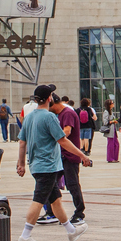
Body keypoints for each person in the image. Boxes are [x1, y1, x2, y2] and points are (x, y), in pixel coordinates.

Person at [16, 84, 92, 241]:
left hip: (36, 165)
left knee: (55, 200)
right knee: (38, 200)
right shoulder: (49, 117)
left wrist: (21, 163)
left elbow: (22, 142)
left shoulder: (29, 117)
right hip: (48, 166)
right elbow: (63, 140)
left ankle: (71, 231)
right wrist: (83, 155)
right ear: (49, 98)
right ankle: (25, 236)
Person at [51, 93, 87, 225]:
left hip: (70, 156)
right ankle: (52, 212)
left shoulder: (67, 113)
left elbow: (67, 131)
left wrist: (52, 137)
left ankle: (79, 212)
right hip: (61, 156)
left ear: (55, 103)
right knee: (51, 183)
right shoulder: (60, 114)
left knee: (72, 184)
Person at [103, 99, 120, 163]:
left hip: (113, 130)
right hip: (110, 130)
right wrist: (112, 121)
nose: (113, 104)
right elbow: (105, 122)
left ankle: (115, 157)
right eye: (112, 103)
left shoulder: (111, 111)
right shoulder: (106, 112)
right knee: (111, 144)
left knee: (116, 144)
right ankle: (110, 158)